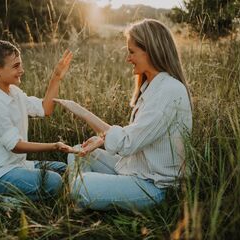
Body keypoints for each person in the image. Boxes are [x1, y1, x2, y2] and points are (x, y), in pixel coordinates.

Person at [55, 19, 193, 211]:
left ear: (150, 50)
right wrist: (102, 138)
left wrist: (84, 114)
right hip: (134, 170)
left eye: (131, 52)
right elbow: (133, 138)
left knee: (80, 184)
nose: (128, 58)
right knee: (79, 153)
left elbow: (127, 143)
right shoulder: (151, 87)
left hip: (154, 187)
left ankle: (83, 198)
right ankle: (84, 203)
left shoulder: (169, 91)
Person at [0, 40, 79, 201]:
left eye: (20, 65)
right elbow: (16, 146)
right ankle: (6, 199)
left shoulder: (14, 92)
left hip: (18, 165)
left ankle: (17, 197)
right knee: (55, 182)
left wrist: (56, 77)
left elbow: (46, 109)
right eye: (16, 66)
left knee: (65, 170)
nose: (21, 70)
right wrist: (54, 146)